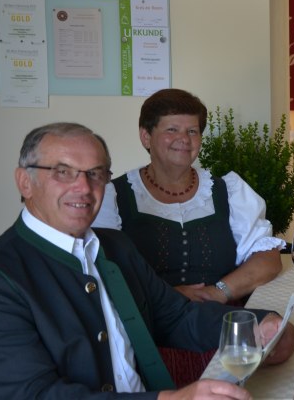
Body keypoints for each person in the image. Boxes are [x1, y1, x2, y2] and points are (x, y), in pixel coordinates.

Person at [0, 122, 294, 398]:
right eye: (63, 172)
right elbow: (29, 394)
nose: (84, 187)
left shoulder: (115, 247)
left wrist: (259, 327)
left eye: (95, 174)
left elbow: (177, 318)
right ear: (24, 182)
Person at [93, 88, 283, 305]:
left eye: (192, 131)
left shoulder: (228, 191)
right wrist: (165, 297)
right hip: (149, 321)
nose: (183, 139)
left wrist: (217, 292)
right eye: (172, 129)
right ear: (146, 137)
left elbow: (268, 259)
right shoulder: (113, 196)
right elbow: (104, 271)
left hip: (217, 315)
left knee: (282, 332)